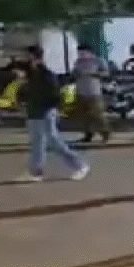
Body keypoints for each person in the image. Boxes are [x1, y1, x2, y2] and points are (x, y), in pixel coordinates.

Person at [17, 46, 90, 182]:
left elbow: (55, 95)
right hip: (33, 112)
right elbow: (25, 91)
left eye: (29, 56)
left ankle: (80, 165)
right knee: (37, 143)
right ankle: (36, 172)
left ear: (36, 58)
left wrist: (51, 108)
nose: (26, 59)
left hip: (45, 112)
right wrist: (23, 101)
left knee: (53, 141)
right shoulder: (30, 75)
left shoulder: (46, 75)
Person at [72, 45, 111, 143]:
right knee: (85, 117)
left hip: (94, 93)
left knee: (97, 115)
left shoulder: (98, 61)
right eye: (79, 53)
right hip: (81, 92)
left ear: (89, 52)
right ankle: (88, 135)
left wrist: (92, 74)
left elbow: (106, 74)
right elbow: (74, 74)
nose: (81, 55)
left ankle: (105, 133)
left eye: (83, 52)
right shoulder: (78, 62)